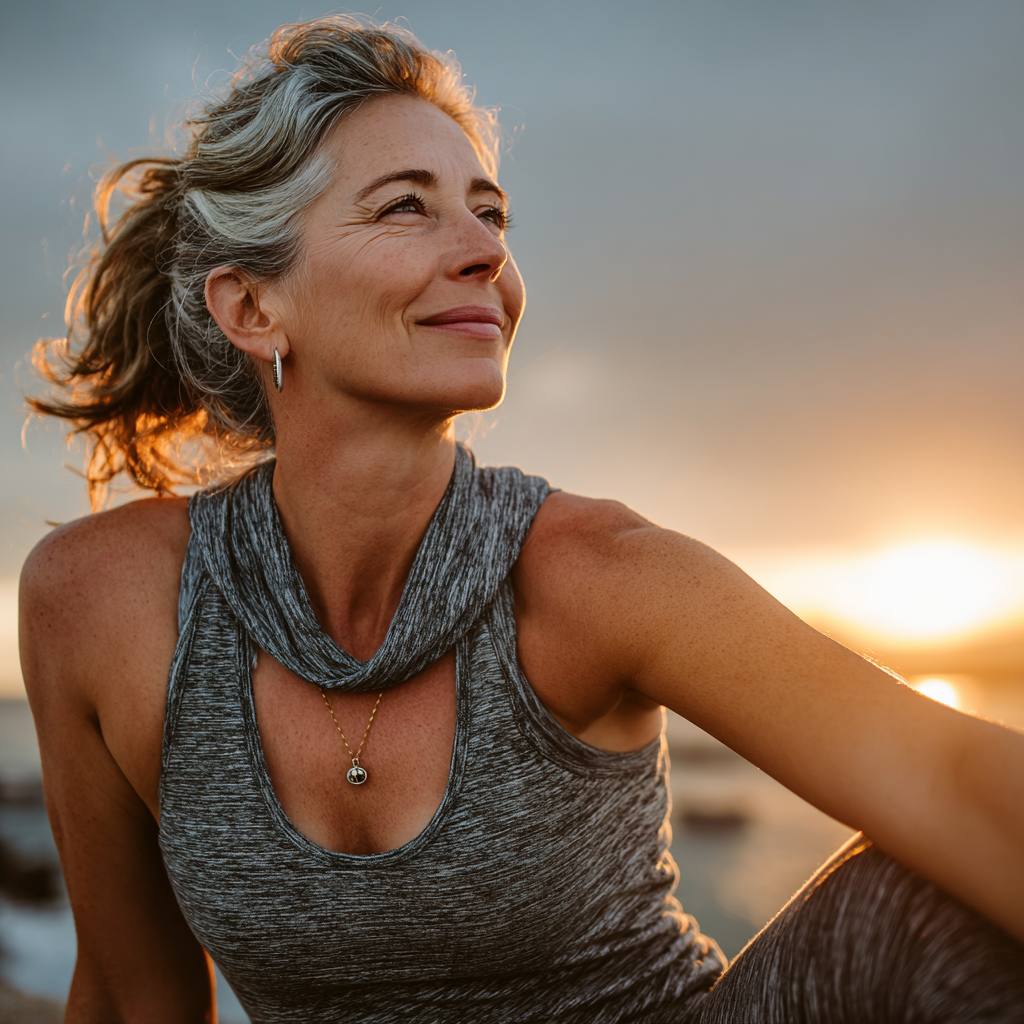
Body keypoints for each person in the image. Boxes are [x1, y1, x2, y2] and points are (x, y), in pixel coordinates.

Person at [18, 16, 1023, 1024]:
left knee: (930, 895)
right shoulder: (103, 604)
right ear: (251, 309)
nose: (485, 254)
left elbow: (940, 773)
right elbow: (127, 994)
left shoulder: (600, 575)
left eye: (492, 214)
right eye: (407, 207)